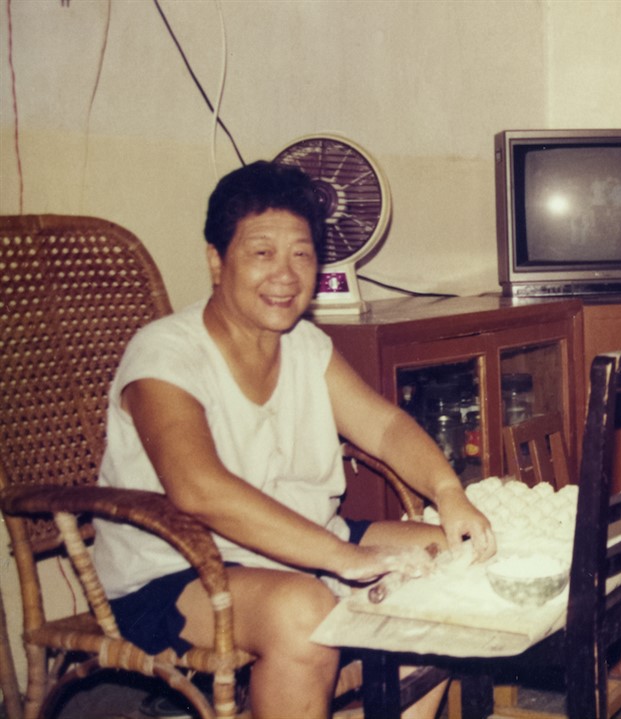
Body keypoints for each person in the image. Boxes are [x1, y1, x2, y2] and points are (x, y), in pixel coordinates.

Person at [92, 160, 496, 718]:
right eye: (262, 253)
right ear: (216, 259)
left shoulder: (306, 346)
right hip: (175, 570)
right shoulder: (164, 354)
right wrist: (343, 558)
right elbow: (198, 489)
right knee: (303, 610)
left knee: (458, 558)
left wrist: (448, 493)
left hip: (302, 541)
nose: (285, 274)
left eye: (301, 254)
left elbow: (384, 426)